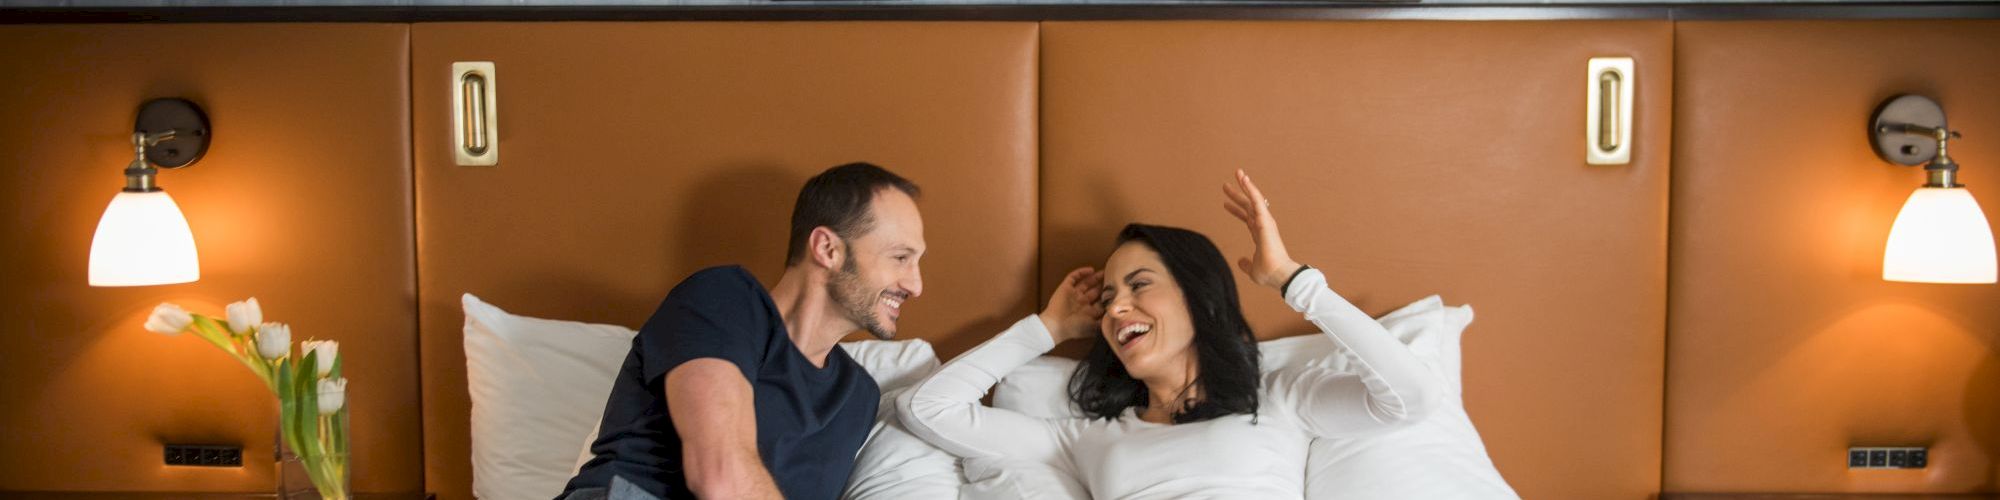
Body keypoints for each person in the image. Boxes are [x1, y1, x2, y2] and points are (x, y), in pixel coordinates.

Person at [899, 170, 1443, 498]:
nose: (1117, 309)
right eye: (1108, 298)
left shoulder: (1279, 401)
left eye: (1139, 285)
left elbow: (1411, 399)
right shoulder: (1087, 439)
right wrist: (1048, 328)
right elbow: (928, 410)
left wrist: (1292, 281)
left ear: (1197, 298)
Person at [561, 162, 926, 500]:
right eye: (900, 258)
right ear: (828, 249)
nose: (916, 285)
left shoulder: (856, 396)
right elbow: (721, 477)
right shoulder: (723, 299)